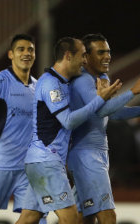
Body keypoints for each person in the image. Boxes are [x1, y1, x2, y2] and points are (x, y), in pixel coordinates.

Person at [16, 37, 121, 224]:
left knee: (29, 218)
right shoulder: (51, 84)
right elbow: (68, 121)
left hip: (42, 161)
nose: (85, 60)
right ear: (68, 56)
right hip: (46, 161)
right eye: (82, 56)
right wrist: (100, 99)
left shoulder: (63, 82)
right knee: (71, 219)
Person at [0, 34, 47, 224]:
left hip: (29, 167)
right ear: (11, 54)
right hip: (0, 162)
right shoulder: (0, 81)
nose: (26, 53)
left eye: (30, 49)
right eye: (21, 49)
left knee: (37, 215)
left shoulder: (38, 87)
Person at [67, 33, 140, 224]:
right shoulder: (83, 79)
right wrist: (133, 91)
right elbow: (101, 111)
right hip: (86, 155)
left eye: (108, 52)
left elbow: (113, 113)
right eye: (100, 52)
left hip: (97, 154)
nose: (107, 56)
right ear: (86, 57)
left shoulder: (101, 77)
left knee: (83, 218)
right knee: (108, 216)